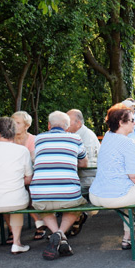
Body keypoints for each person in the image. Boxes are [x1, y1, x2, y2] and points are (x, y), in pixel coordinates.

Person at [89, 108, 135, 255]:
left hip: (96, 194)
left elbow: (119, 157)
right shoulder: (127, 143)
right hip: (114, 197)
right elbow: (134, 176)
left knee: (129, 195)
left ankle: (127, 238)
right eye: (132, 120)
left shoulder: (108, 137)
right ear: (121, 123)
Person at [30, 111, 88, 260]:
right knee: (79, 204)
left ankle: (56, 235)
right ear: (67, 128)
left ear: (49, 126)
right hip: (68, 195)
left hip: (39, 196)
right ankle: (61, 234)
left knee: (43, 205)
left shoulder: (39, 139)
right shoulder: (75, 138)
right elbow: (84, 163)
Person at [0, 117, 33, 254]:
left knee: (9, 197)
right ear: (14, 133)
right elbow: (29, 178)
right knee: (16, 200)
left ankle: (15, 240)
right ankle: (16, 242)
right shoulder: (22, 151)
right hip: (16, 200)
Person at [11, 111, 48, 241]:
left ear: (26, 125)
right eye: (13, 122)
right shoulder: (8, 140)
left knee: (28, 189)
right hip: (15, 176)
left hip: (33, 175)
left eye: (18, 123)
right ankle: (37, 221)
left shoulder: (34, 140)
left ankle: (38, 223)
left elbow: (34, 160)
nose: (14, 125)